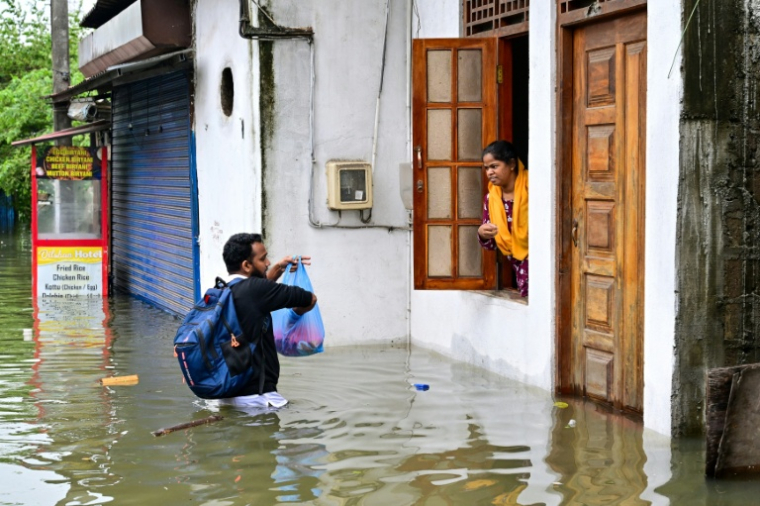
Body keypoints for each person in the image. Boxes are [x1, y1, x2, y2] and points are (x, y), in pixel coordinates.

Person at [219, 233, 317, 408]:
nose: (268, 263)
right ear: (247, 265)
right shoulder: (257, 290)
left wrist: (279, 268)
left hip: (225, 396)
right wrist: (292, 318)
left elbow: (259, 293)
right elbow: (310, 299)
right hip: (260, 398)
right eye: (263, 258)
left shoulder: (220, 290)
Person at [477, 140, 529, 297]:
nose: (489, 172)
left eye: (494, 166)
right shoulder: (491, 199)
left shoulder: (534, 188)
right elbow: (492, 243)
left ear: (511, 164)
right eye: (486, 168)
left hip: (544, 265)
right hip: (520, 272)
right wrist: (482, 233)